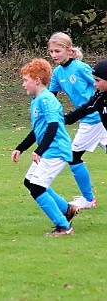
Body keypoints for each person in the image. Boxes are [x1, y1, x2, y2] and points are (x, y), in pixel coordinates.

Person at [11, 58, 79, 236]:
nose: (23, 84)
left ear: (37, 80)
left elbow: (53, 126)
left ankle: (64, 226)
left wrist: (39, 150)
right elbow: (37, 130)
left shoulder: (47, 100)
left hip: (56, 150)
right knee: (30, 182)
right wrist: (21, 148)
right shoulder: (37, 99)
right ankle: (67, 209)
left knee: (37, 188)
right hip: (49, 149)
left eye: (25, 80)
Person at [47, 32, 107, 210]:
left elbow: (100, 83)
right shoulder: (58, 73)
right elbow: (52, 97)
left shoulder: (81, 68)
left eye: (57, 51)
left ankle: (89, 199)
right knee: (74, 157)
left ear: (69, 50)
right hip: (88, 120)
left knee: (73, 157)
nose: (54, 55)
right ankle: (88, 198)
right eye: (51, 51)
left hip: (95, 119)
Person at [65, 59, 107, 128]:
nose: (94, 84)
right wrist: (63, 119)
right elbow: (85, 109)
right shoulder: (100, 96)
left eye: (97, 80)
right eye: (94, 80)